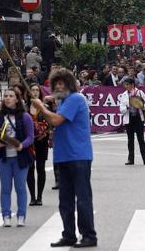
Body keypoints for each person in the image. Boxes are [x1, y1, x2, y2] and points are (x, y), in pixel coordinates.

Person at [31, 69, 97, 248]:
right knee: (65, 200)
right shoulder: (63, 101)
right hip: (64, 155)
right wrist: (48, 101)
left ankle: (89, 235)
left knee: (82, 198)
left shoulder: (75, 99)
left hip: (78, 155)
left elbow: (56, 121)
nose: (59, 86)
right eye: (56, 84)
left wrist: (41, 107)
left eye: (62, 83)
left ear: (69, 84)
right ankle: (68, 235)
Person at [0, 88, 34, 227]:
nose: (8, 98)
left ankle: (21, 215)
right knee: (5, 188)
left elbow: (30, 137)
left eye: (11, 96)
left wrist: (22, 145)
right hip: (4, 158)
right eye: (5, 96)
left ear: (17, 99)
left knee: (20, 187)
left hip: (20, 157)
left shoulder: (25, 116)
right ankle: (6, 216)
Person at [118, 78, 145, 165]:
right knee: (130, 140)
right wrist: (127, 107)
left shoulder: (140, 93)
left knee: (141, 139)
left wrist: (140, 105)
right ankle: (130, 159)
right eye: (125, 84)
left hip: (138, 118)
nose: (125, 86)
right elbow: (121, 109)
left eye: (127, 84)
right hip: (129, 119)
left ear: (132, 84)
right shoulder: (124, 95)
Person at [27, 84, 50, 206]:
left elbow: (50, 123)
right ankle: (32, 197)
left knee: (41, 168)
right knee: (30, 169)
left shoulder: (45, 107)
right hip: (29, 144)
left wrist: (45, 131)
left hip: (41, 142)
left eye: (37, 90)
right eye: (32, 90)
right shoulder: (24, 108)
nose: (35, 92)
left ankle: (39, 197)